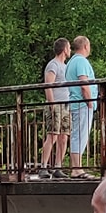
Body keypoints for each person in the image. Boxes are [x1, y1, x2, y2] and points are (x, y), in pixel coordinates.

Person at [64, 36, 99, 178]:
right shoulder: (81, 61)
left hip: (75, 103)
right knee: (80, 135)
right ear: (85, 46)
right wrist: (90, 101)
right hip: (82, 104)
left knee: (77, 135)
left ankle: (76, 168)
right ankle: (77, 169)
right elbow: (84, 84)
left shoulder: (70, 63)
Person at [37, 38, 71, 178]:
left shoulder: (66, 66)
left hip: (65, 105)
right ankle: (43, 166)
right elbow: (48, 86)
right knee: (53, 135)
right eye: (69, 47)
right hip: (56, 104)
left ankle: (58, 166)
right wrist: (51, 105)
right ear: (64, 49)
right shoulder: (53, 65)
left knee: (64, 137)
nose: (70, 50)